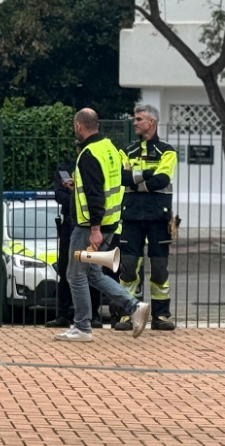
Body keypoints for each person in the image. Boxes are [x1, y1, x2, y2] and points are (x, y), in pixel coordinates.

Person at [55, 108, 150, 342]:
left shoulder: (88, 153)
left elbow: (95, 193)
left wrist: (94, 230)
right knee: (94, 274)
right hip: (110, 223)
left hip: (90, 226)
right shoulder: (111, 148)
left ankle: (82, 327)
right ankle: (134, 307)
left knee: (75, 274)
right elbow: (119, 180)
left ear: (79, 126)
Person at [116, 104, 177, 331]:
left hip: (158, 218)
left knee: (159, 267)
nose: (135, 122)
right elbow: (122, 178)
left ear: (151, 122)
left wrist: (137, 178)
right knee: (128, 267)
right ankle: (126, 314)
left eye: (139, 119)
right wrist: (148, 175)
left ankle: (161, 316)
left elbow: (162, 180)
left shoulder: (167, 151)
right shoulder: (127, 151)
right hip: (131, 215)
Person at [46, 141, 104, 329]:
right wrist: (74, 196)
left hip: (87, 224)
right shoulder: (65, 168)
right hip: (69, 223)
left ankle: (93, 315)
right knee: (65, 269)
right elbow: (59, 195)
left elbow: (96, 193)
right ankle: (63, 314)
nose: (80, 149)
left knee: (90, 269)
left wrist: (76, 193)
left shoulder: (92, 166)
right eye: (78, 146)